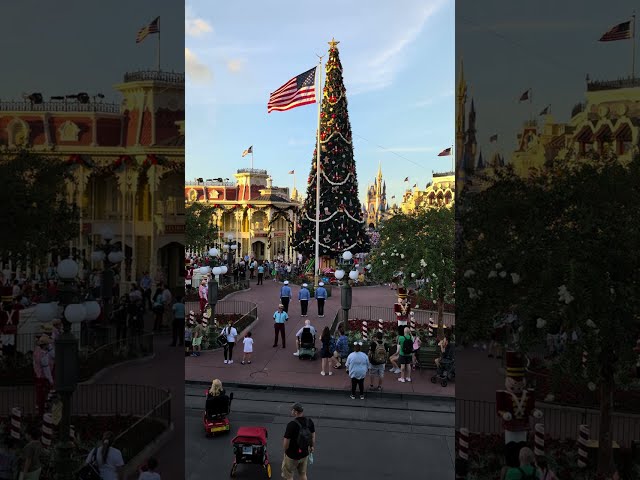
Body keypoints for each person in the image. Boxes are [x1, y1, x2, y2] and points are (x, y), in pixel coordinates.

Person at [282, 403, 315, 480]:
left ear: (296, 412)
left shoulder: (292, 424)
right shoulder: (309, 421)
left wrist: (286, 451)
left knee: (289, 475)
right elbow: (313, 436)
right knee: (303, 474)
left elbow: (286, 442)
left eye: (292, 410)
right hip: (304, 453)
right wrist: (312, 447)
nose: (291, 411)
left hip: (292, 455)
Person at [33, 335, 54, 415]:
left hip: (38, 376)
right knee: (43, 395)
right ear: (45, 345)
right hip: (43, 378)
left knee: (40, 395)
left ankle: (40, 410)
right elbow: (46, 369)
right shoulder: (44, 355)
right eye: (47, 344)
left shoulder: (36, 352)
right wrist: (51, 380)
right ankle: (42, 414)